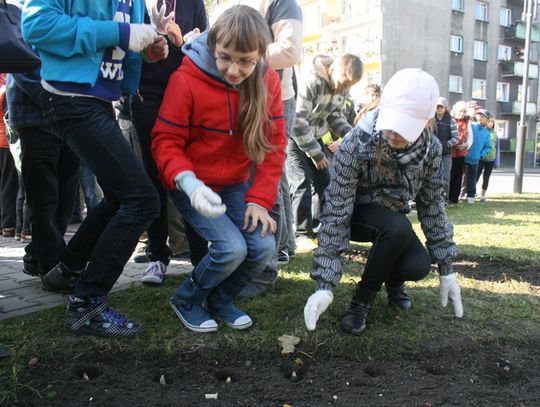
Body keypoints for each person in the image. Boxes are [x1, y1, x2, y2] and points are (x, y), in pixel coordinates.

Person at [22, 0, 166, 336]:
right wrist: (122, 32)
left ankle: (68, 270)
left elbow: (126, 45)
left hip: (101, 100)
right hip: (70, 96)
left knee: (120, 196)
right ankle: (86, 303)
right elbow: (36, 26)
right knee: (142, 200)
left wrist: (148, 50)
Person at [151, 5, 286, 332]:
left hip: (235, 185)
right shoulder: (186, 79)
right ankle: (187, 298)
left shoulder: (268, 81)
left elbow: (273, 148)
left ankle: (220, 299)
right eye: (226, 57)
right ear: (213, 45)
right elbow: (165, 141)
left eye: (246, 61)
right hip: (191, 185)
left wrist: (260, 201)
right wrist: (190, 184)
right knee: (230, 248)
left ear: (259, 56)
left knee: (263, 247)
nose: (235, 69)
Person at [303, 68, 464, 336]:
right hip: (356, 215)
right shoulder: (358, 143)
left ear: (426, 120)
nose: (393, 134)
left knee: (417, 265)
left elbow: (433, 206)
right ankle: (360, 303)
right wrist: (324, 285)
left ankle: (393, 281)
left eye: (404, 127)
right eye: (392, 124)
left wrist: (446, 268)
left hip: (393, 219)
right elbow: (336, 211)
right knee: (397, 227)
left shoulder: (432, 150)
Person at [208, 0, 303, 297]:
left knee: (268, 180)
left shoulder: (280, 3)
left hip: (271, 92)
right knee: (241, 179)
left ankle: (265, 269)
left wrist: (245, 56)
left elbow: (290, 50)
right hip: (230, 91)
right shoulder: (220, 5)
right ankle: (241, 261)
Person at [130, 0, 207, 285]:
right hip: (146, 96)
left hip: (185, 93)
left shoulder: (193, 4)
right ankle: (157, 257)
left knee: (189, 174)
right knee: (153, 178)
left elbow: (204, 48)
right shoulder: (139, 3)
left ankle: (200, 257)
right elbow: (126, 43)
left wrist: (180, 38)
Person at [289, 53, 363, 238]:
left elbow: (334, 117)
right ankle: (301, 232)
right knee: (301, 184)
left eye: (347, 86)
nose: (342, 88)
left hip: (317, 136)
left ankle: (320, 227)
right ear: (333, 70)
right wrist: (316, 154)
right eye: (342, 83)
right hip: (294, 136)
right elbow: (298, 122)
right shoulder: (311, 80)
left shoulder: (343, 87)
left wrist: (350, 134)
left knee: (325, 183)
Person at [433, 97, 459, 202]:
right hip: (432, 153)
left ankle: (445, 200)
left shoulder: (451, 121)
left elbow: (456, 138)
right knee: (432, 177)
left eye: (441, 107)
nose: (438, 109)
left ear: (446, 108)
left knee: (445, 178)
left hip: (446, 154)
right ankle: (433, 199)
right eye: (437, 107)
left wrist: (444, 144)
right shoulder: (430, 119)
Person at [464, 109, 492, 203]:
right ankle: (461, 194)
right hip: (464, 156)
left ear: (487, 120)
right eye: (479, 115)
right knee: (462, 177)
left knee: (472, 177)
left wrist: (480, 155)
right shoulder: (471, 126)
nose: (480, 117)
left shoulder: (486, 133)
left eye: (483, 116)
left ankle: (471, 195)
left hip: (475, 159)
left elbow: (488, 147)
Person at [448, 100, 473, 204]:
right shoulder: (449, 119)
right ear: (455, 110)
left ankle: (454, 198)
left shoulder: (468, 122)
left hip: (460, 153)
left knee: (458, 176)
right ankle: (446, 197)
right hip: (449, 151)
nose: (462, 113)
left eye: (464, 111)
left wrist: (466, 145)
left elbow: (470, 137)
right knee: (448, 175)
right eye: (460, 111)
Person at [476, 115, 498, 202]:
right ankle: (472, 192)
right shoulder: (482, 131)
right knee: (476, 175)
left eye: (492, 122)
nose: (490, 123)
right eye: (489, 121)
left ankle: (483, 195)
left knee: (486, 177)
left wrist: (497, 160)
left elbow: (496, 147)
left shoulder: (494, 133)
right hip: (481, 158)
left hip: (491, 159)